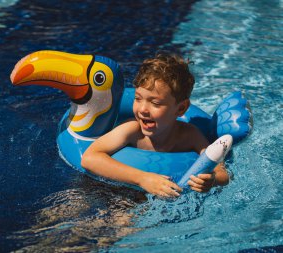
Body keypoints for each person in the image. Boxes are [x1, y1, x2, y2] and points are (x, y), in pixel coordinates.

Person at [81, 52, 229, 198]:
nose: (142, 109)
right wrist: (142, 178)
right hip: (108, 188)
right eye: (138, 99)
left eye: (155, 103)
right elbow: (89, 158)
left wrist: (212, 180)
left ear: (181, 108)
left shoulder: (189, 135)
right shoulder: (132, 130)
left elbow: (221, 170)